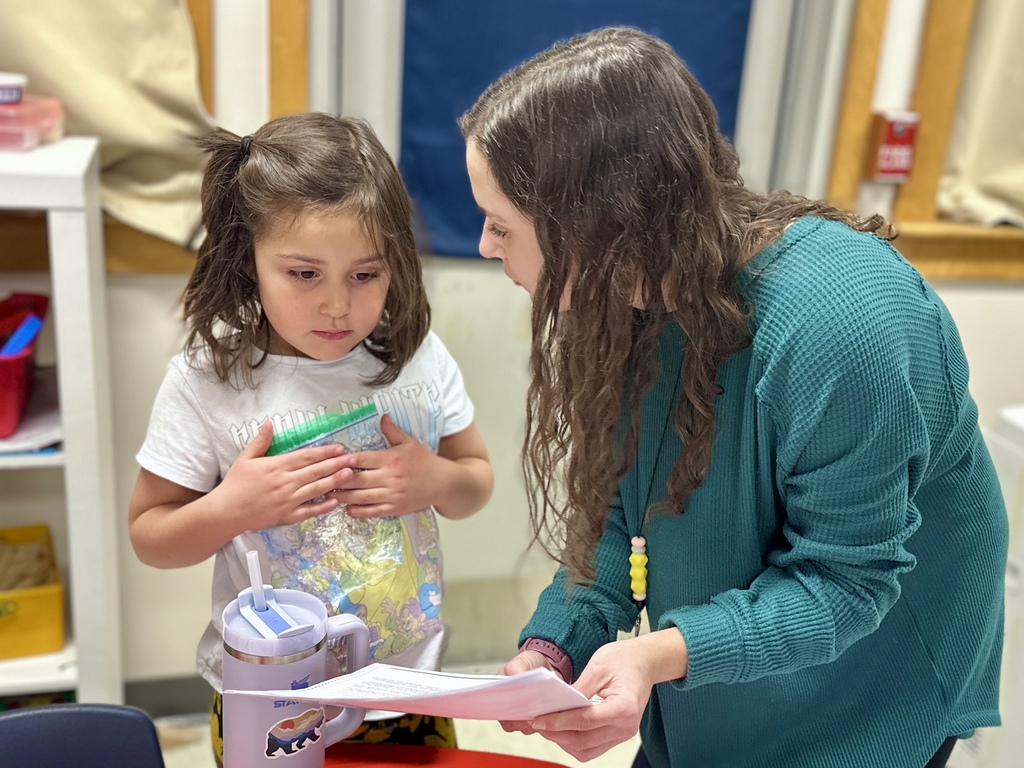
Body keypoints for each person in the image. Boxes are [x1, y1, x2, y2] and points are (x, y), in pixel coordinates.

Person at [459, 26, 1007, 768]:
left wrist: (661, 654)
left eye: (501, 224)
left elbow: (843, 583)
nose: (487, 247)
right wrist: (556, 645)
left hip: (866, 692)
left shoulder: (843, 324)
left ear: (600, 225)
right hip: (721, 675)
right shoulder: (632, 293)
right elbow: (625, 519)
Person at [129, 112, 494, 763]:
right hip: (271, 693)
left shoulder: (420, 359)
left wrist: (437, 481)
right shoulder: (207, 380)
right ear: (249, 258)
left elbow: (475, 482)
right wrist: (231, 508)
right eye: (303, 274)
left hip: (409, 688)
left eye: (365, 275)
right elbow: (150, 535)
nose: (336, 305)